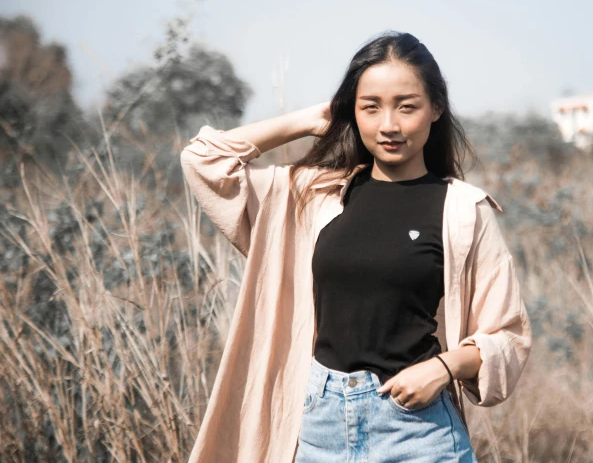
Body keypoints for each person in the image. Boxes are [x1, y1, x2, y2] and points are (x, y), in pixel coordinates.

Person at [180, 31, 532, 463]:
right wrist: (311, 119)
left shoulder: (462, 209)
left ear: (435, 108)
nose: (389, 125)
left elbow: (507, 336)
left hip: (417, 430)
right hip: (318, 426)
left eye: (407, 106)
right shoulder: (310, 195)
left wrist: (442, 368)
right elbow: (204, 161)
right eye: (371, 107)